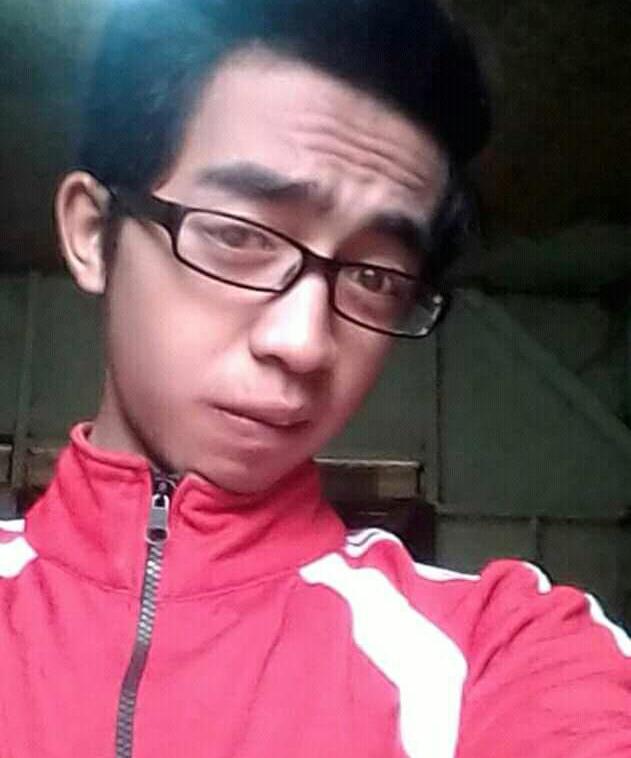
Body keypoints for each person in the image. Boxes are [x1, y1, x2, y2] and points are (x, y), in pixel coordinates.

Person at [1, 0, 630, 756]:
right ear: (91, 233)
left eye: (374, 276)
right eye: (239, 236)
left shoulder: (496, 650)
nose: (302, 343)